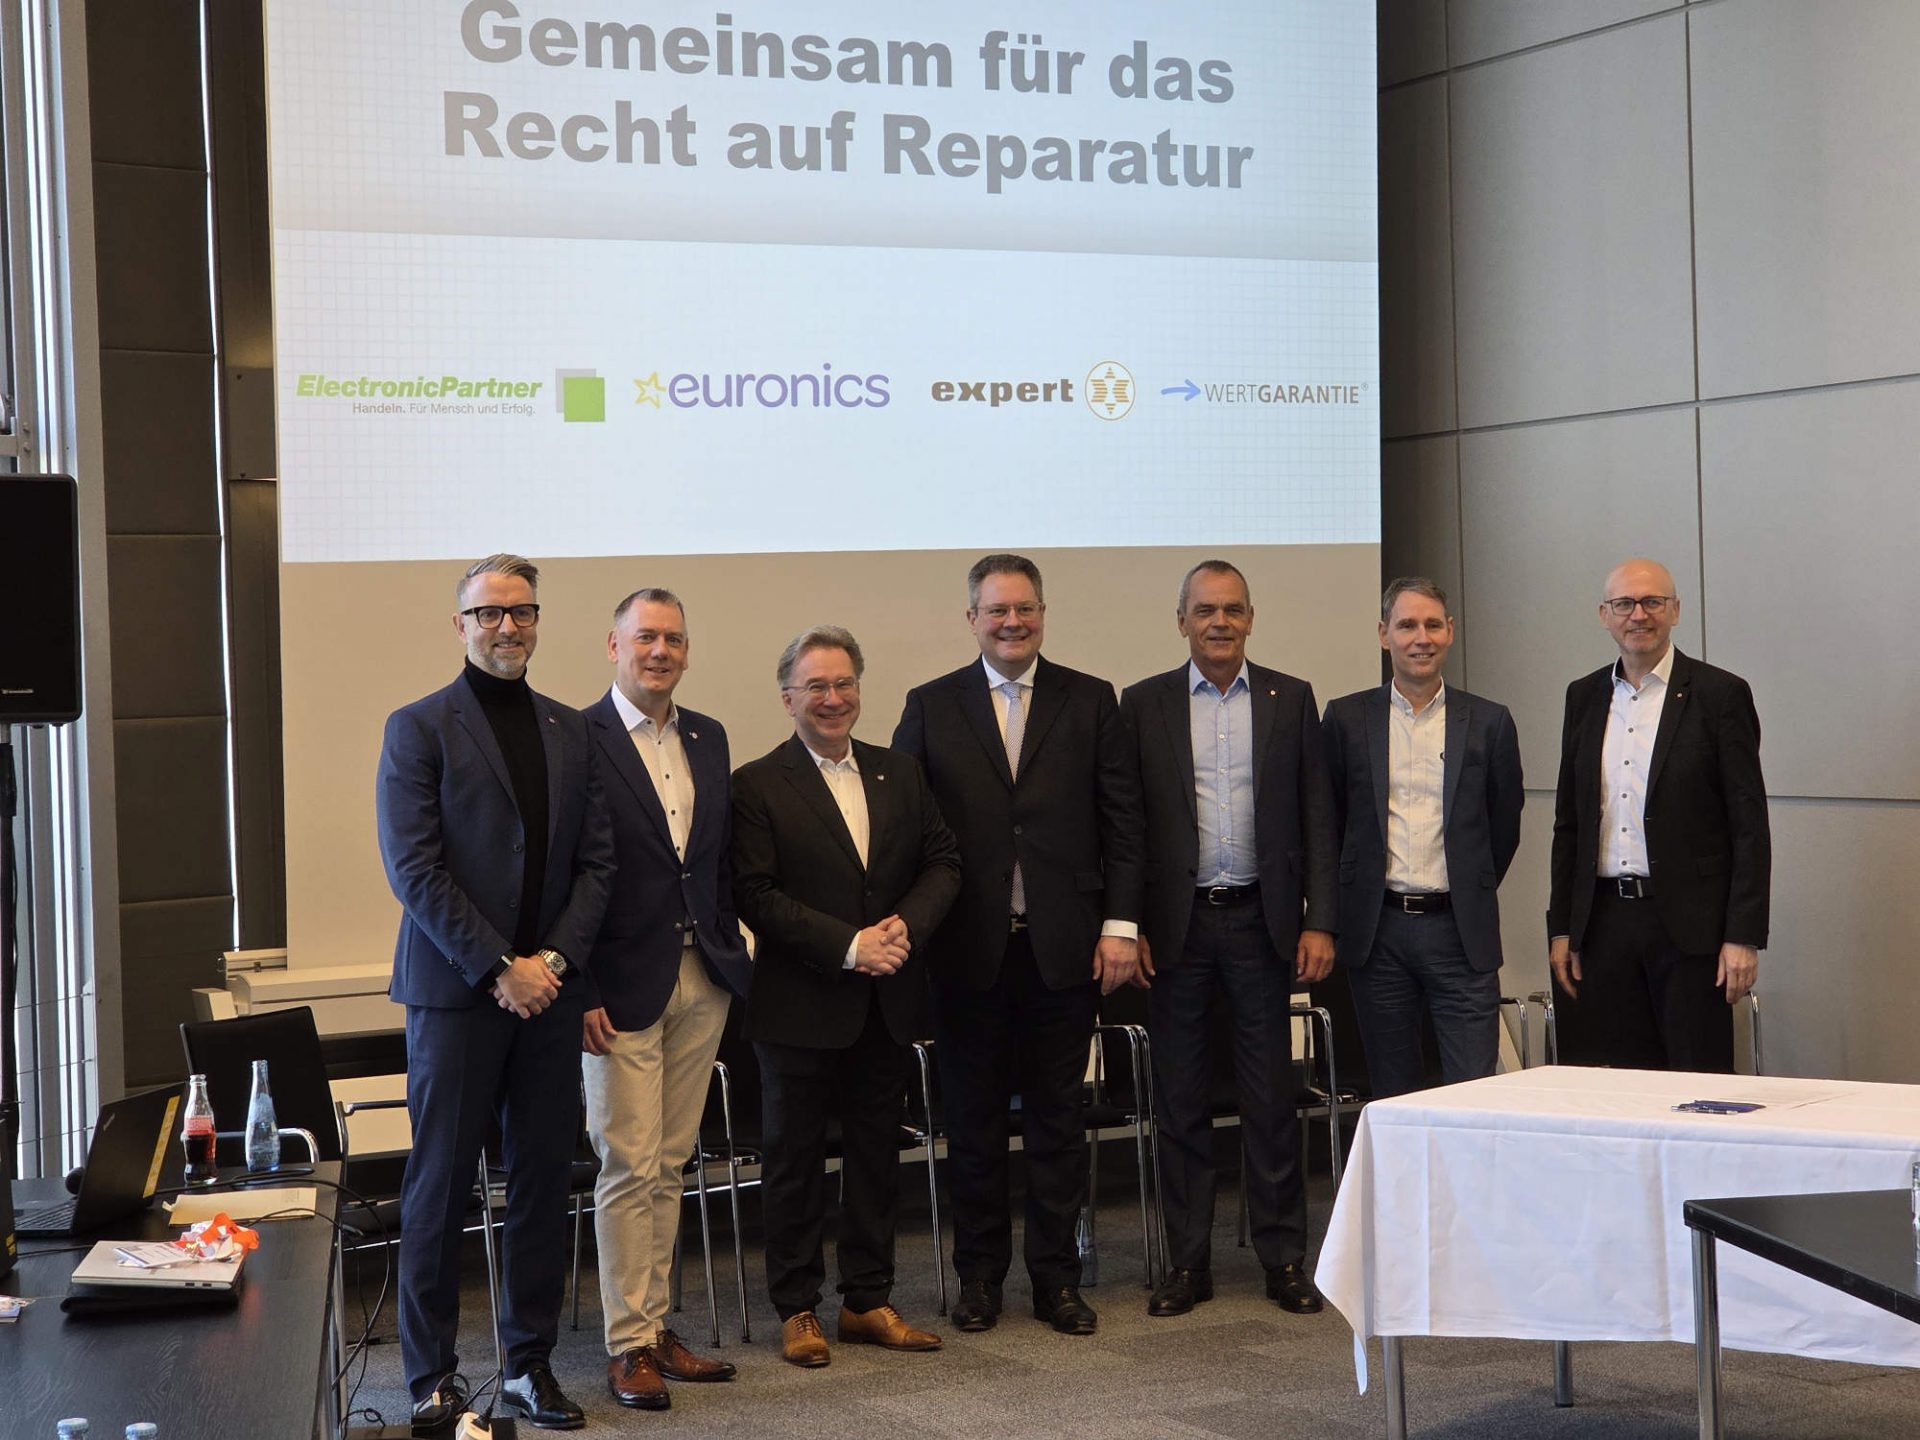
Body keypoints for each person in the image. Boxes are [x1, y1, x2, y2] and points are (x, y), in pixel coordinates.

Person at [375, 553, 613, 1432]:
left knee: (543, 1182)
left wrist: (549, 964)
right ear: (461, 625)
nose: (506, 626)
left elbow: (598, 866)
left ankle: (526, 1366)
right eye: (489, 613)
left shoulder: (571, 730)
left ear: (538, 620)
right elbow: (415, 869)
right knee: (439, 1187)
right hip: (457, 995)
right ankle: (431, 1377)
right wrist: (497, 967)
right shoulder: (418, 727)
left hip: (547, 996)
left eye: (521, 611)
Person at [892, 554, 1144, 1337]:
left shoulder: (1090, 698)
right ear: (972, 618)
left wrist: (1121, 926)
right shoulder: (930, 706)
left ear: (1042, 614)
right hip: (966, 953)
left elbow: (1123, 823)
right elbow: (905, 831)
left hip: (1063, 951)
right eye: (997, 610)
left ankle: (1057, 1282)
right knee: (971, 1127)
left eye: (1025, 608)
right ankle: (979, 1280)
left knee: (1057, 1126)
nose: (1012, 622)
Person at [731, 626, 961, 1368]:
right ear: (788, 698)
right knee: (794, 1164)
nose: (833, 699)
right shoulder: (757, 784)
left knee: (875, 1159)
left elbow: (943, 862)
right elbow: (755, 893)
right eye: (816, 687)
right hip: (798, 1006)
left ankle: (866, 1300)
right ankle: (797, 1307)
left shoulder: (901, 772)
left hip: (886, 1001)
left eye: (844, 684)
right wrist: (849, 944)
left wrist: (903, 929)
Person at [1120, 559, 1336, 1318]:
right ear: (1181, 620)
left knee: (1269, 1098)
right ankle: (1188, 1264)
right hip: (1175, 931)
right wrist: (1129, 924)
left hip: (1260, 924)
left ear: (1251, 618)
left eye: (1233, 610)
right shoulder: (1143, 703)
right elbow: (1127, 827)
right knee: (1178, 1101)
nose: (1220, 622)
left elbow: (1318, 817)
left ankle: (1283, 1259)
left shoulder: (1290, 698)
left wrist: (1319, 917)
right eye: (1206, 610)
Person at [579, 588, 751, 1411]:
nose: (660, 651)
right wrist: (577, 984)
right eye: (645, 636)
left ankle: (653, 1327)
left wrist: (732, 941)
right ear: (613, 645)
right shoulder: (579, 737)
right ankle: (627, 1344)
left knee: (672, 1162)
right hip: (616, 988)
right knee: (629, 1163)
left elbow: (712, 857)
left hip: (701, 975)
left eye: (674, 639)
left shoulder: (708, 735)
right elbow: (567, 872)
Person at [1547, 557, 1770, 1071]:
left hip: (1691, 930)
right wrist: (1562, 928)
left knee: (1698, 1084)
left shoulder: (1720, 695)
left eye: (1652, 602)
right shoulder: (1583, 697)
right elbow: (1569, 824)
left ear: (1675, 611)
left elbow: (1749, 827)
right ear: (1604, 614)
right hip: (1604, 926)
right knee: (1620, 1088)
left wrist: (1742, 935)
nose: (1638, 614)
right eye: (1624, 603)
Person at [1322, 577, 1524, 1099]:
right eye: (1407, 625)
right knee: (1394, 1092)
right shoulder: (1346, 719)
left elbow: (1503, 825)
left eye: (1433, 625)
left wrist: (1469, 887)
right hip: (1379, 932)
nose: (1421, 638)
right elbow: (1332, 821)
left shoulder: (1490, 721)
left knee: (1473, 1092)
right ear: (1383, 634)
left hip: (1459, 931)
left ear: (1450, 631)